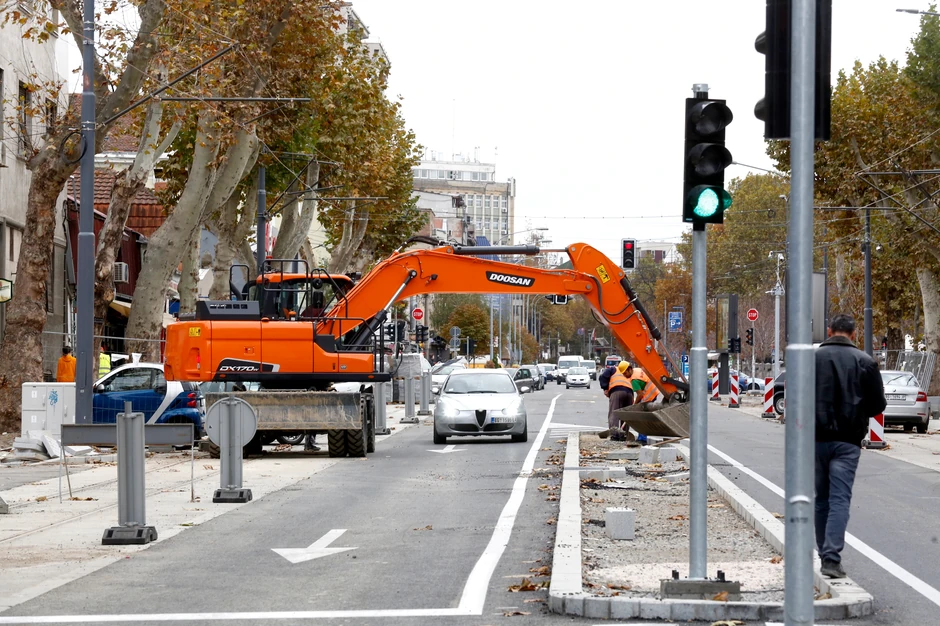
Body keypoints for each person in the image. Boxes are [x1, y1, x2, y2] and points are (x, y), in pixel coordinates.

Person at [815, 313, 886, 579]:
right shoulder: (866, 362)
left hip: (815, 439)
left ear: (829, 330)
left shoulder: (812, 359)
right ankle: (831, 560)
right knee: (839, 499)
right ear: (854, 334)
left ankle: (824, 554)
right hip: (848, 442)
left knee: (820, 499)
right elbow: (878, 406)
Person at [600, 361, 635, 441]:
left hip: (617, 391)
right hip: (629, 393)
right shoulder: (630, 373)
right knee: (625, 415)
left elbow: (603, 377)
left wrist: (605, 388)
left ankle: (615, 435)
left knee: (614, 414)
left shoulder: (613, 369)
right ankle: (624, 435)